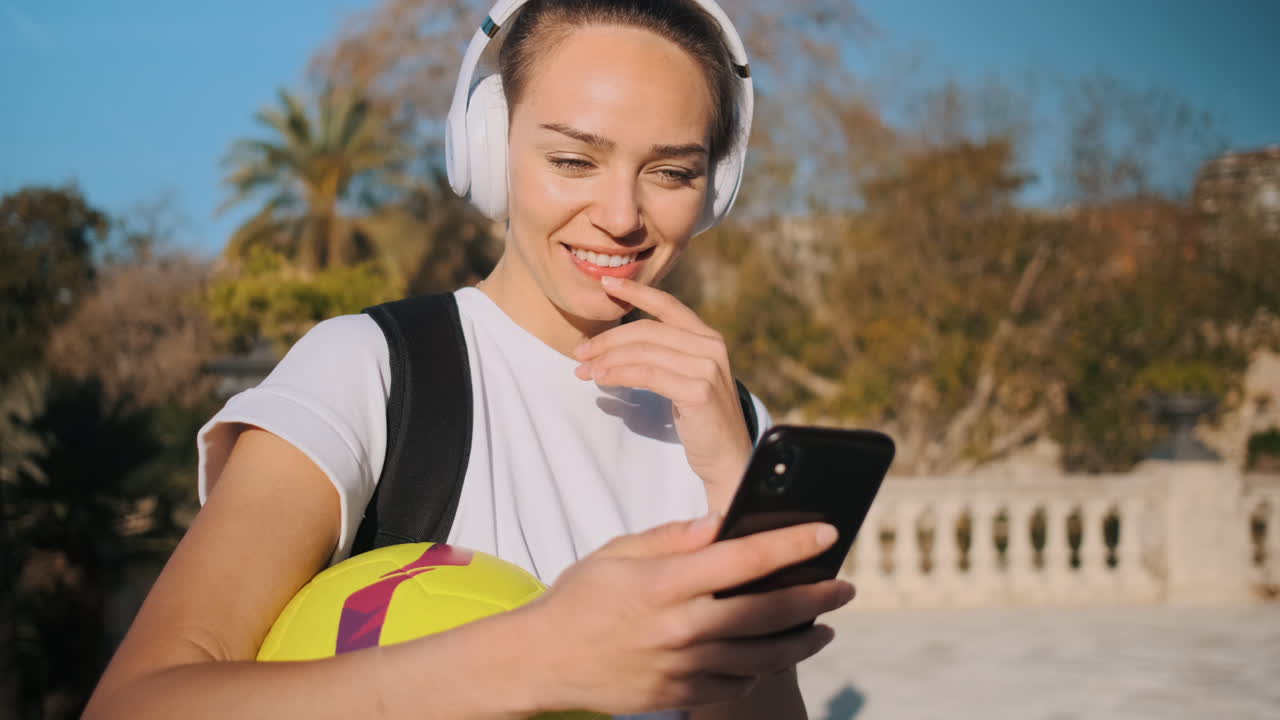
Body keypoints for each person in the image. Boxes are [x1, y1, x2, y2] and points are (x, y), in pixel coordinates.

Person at [84, 1, 855, 718]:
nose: (622, 217)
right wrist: (541, 656)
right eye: (573, 160)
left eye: (672, 172)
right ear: (489, 149)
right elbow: (136, 703)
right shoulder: (371, 371)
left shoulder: (730, 419)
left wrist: (734, 492)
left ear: (715, 188)